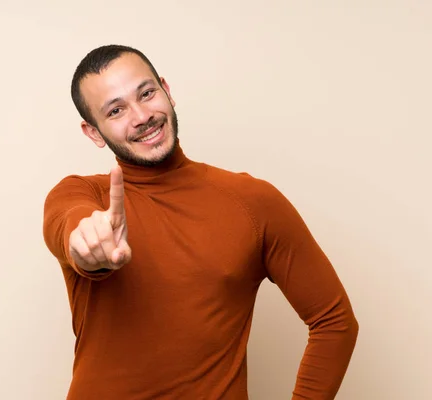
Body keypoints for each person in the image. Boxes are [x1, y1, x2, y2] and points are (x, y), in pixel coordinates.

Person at [42, 44, 359, 399]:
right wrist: (87, 246)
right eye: (116, 110)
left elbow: (334, 321)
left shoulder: (254, 202)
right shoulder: (82, 197)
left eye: (146, 93)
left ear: (167, 91)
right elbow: (69, 225)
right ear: (94, 132)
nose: (141, 116)